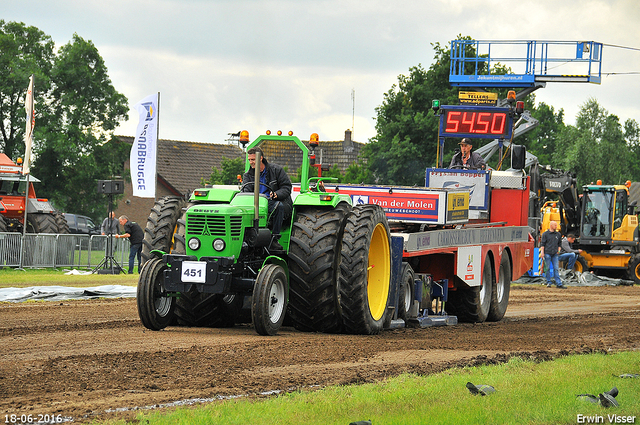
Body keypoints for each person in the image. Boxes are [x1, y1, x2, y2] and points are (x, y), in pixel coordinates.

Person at [242, 146, 292, 251]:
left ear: (260, 158)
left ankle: (274, 238)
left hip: (271, 201)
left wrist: (276, 194)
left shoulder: (276, 170)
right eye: (249, 160)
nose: (251, 162)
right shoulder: (247, 176)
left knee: (279, 207)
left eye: (253, 159)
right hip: (256, 203)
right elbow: (246, 191)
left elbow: (286, 187)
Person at [540, 220, 567, 289]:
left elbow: (559, 244)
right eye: (555, 225)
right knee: (547, 268)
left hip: (555, 254)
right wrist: (542, 253)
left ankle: (559, 283)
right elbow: (542, 244)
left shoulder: (558, 234)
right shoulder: (545, 234)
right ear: (551, 225)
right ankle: (549, 282)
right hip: (547, 253)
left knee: (556, 268)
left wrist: (558, 250)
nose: (556, 226)